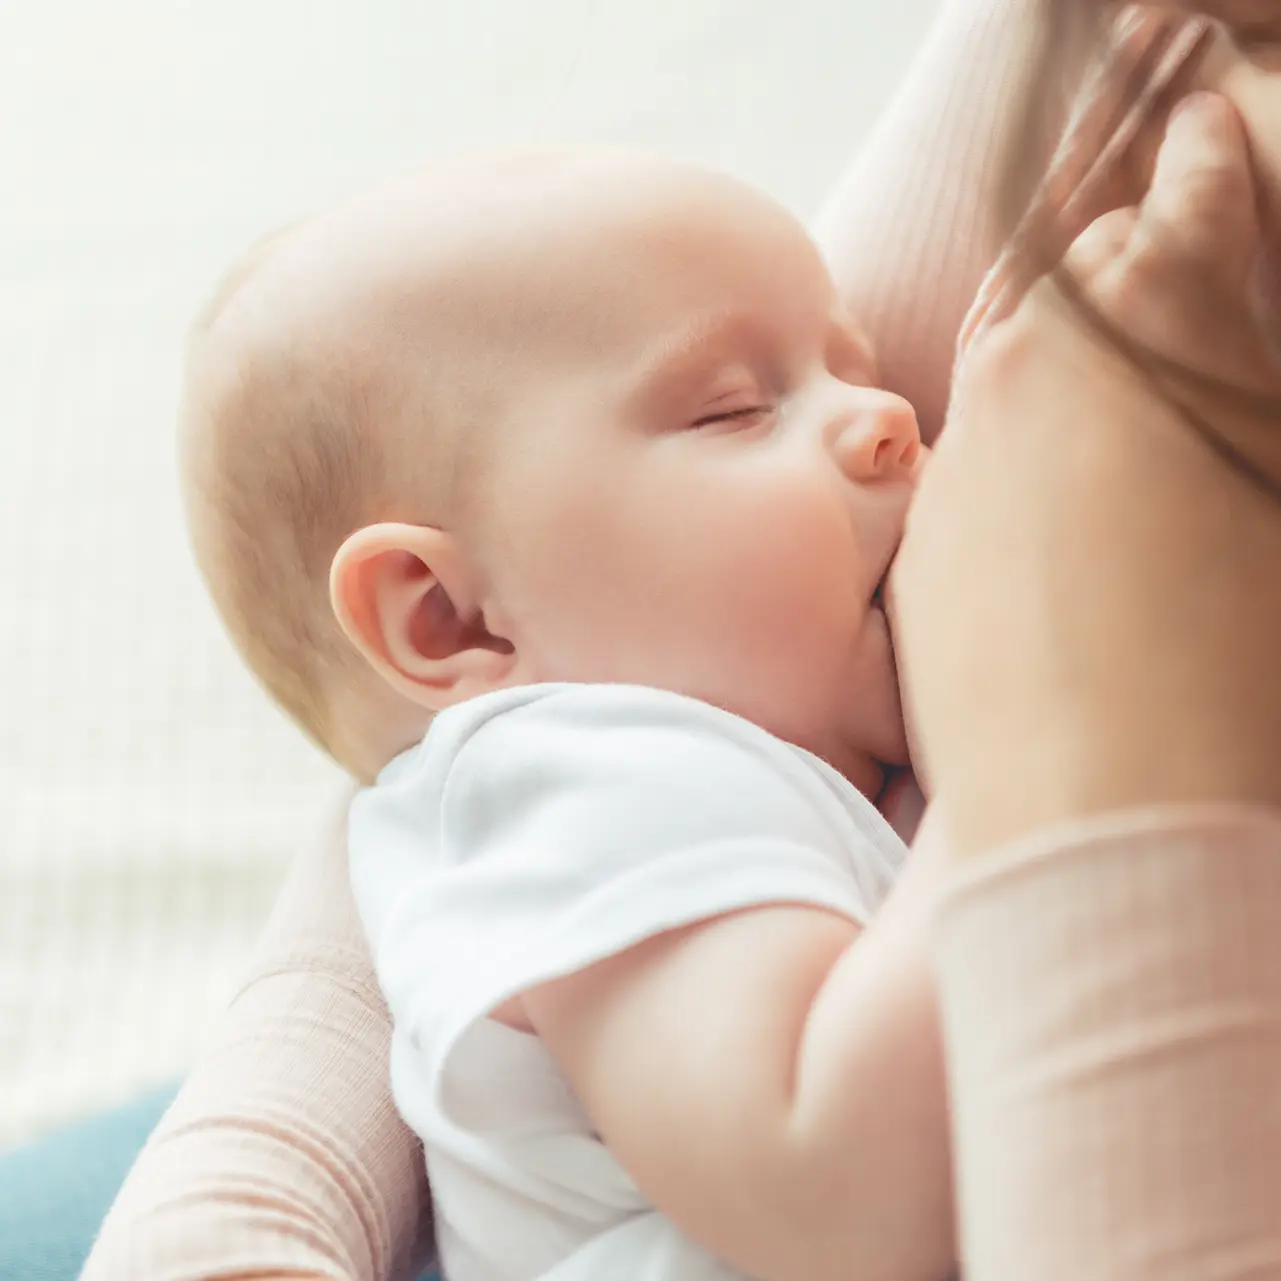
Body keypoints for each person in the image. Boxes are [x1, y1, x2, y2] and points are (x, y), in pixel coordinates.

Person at [77, 5, 1281, 1281]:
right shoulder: (591, 785)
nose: (888, 419)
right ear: (451, 620)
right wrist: (1043, 742)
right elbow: (840, 1187)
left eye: (850, 368)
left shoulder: (675, 752)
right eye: (735, 407)